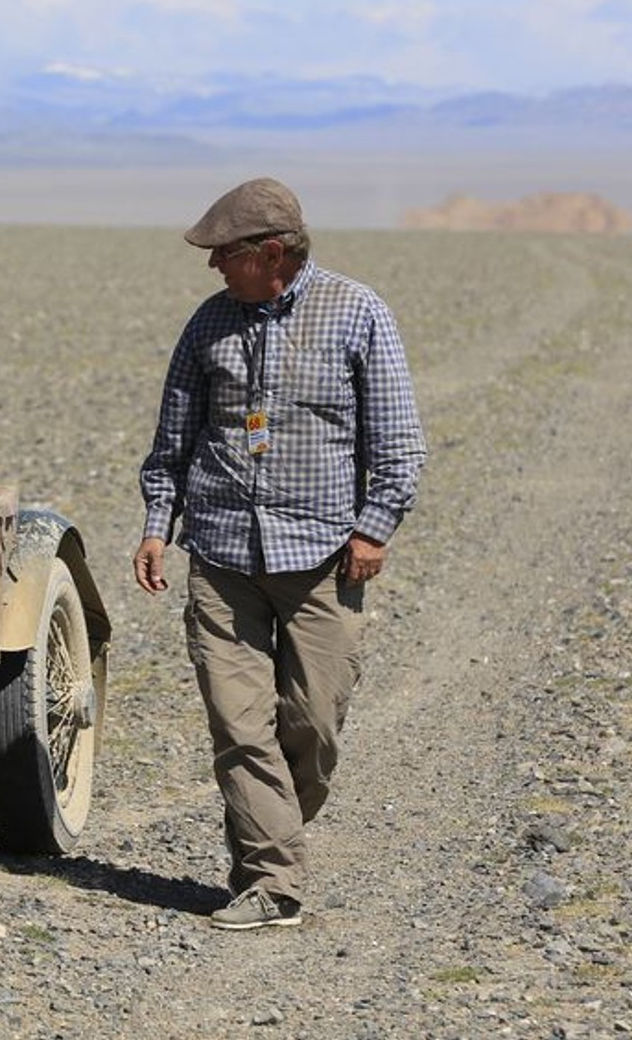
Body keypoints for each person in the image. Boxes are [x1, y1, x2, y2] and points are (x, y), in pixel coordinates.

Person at [131, 177, 426, 931]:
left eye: (224, 253)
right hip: (222, 556)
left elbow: (399, 442)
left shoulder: (357, 313)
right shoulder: (208, 324)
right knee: (239, 726)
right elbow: (173, 440)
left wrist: (374, 529)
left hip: (324, 558)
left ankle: (269, 841)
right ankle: (273, 881)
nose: (212, 266)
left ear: (270, 254)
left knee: (312, 726)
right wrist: (157, 524)